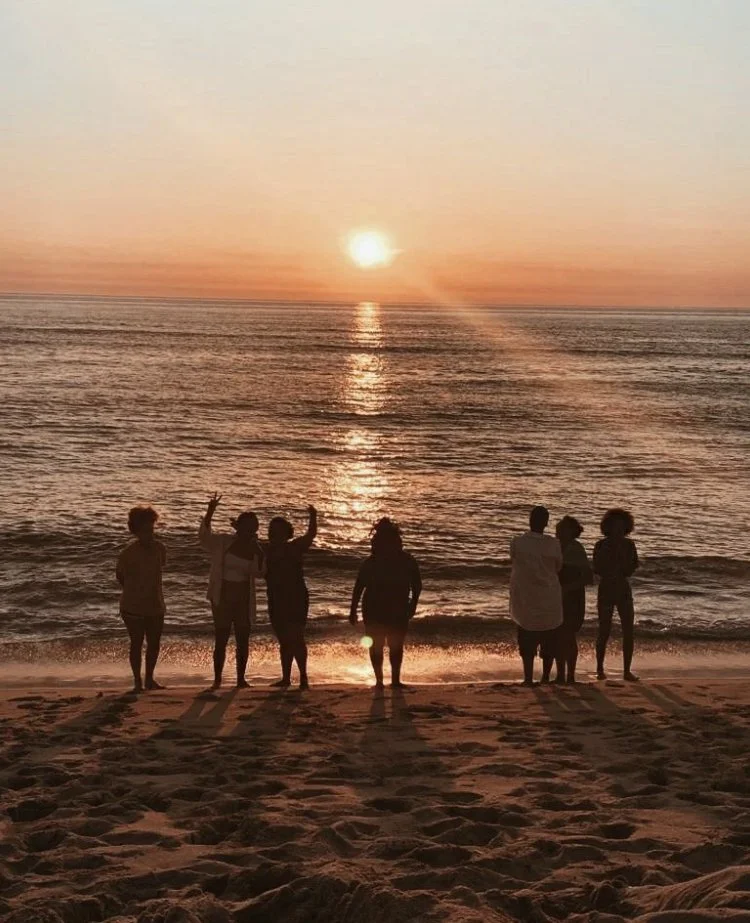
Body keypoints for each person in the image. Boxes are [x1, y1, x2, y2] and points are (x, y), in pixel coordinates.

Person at [199, 492, 264, 690]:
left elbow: (260, 573)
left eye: (254, 528)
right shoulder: (224, 542)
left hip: (243, 596)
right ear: (240, 527)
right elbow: (205, 538)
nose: (251, 531)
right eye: (248, 527)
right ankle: (217, 679)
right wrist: (210, 512)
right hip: (223, 594)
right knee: (221, 637)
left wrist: (259, 553)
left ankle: (241, 679)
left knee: (243, 638)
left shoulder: (254, 548)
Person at [349, 518, 422, 690]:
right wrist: (352, 609)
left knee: (388, 645)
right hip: (379, 608)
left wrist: (413, 605)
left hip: (395, 607)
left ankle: (388, 681)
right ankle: (383, 681)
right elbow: (359, 586)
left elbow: (417, 585)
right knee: (382, 645)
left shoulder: (405, 560)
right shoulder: (374, 561)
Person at [264, 505, 318, 690]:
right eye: (272, 531)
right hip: (275, 598)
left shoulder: (295, 547)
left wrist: (313, 515)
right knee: (284, 640)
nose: (274, 535)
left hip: (295, 597)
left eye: (278, 532)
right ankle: (286, 678)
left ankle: (303, 678)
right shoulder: (266, 550)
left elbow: (311, 534)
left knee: (296, 637)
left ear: (287, 534)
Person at [509, 506, 563, 686]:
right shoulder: (554, 544)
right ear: (546, 523)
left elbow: (513, 559)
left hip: (525, 598)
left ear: (530, 520)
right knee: (549, 639)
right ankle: (546, 677)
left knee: (527, 641)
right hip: (549, 596)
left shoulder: (517, 542)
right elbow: (558, 567)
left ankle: (528, 678)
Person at [116, 506, 167, 693]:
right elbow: (119, 576)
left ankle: (149, 679)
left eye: (151, 530)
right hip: (132, 605)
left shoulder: (160, 548)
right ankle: (137, 681)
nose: (149, 534)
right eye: (145, 531)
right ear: (136, 531)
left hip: (155, 603)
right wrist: (135, 590)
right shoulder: (128, 553)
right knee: (136, 643)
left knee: (154, 643)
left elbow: (161, 567)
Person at [594, 507, 640, 682]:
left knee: (628, 630)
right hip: (606, 588)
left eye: (621, 526)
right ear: (609, 526)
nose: (618, 529)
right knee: (604, 630)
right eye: (615, 525)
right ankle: (599, 669)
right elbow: (597, 568)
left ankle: (627, 671)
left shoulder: (629, 545)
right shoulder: (601, 545)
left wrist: (622, 567)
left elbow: (633, 567)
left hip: (622, 588)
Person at [555, 515, 594, 684]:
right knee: (557, 634)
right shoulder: (555, 547)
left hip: (573, 597)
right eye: (558, 528)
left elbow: (588, 577)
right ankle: (560, 675)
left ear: (571, 531)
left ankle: (569, 675)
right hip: (557, 595)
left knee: (568, 635)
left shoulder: (576, 549)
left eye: (563, 529)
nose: (559, 531)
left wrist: (568, 588)